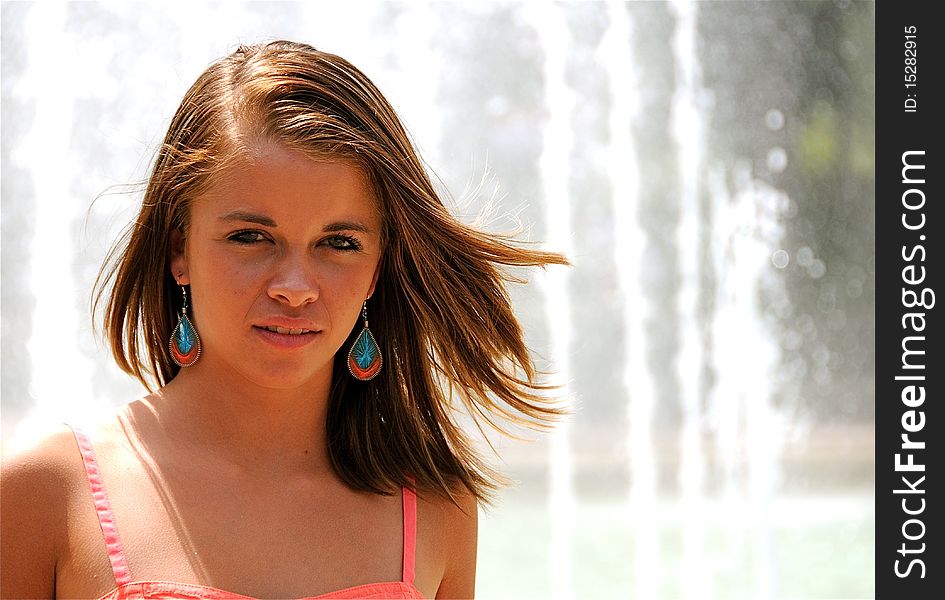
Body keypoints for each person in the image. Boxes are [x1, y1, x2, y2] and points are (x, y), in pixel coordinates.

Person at [0, 40, 567, 600]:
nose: (294, 288)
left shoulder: (437, 505)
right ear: (180, 249)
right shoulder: (45, 492)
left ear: (376, 270)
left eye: (339, 243)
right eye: (250, 237)